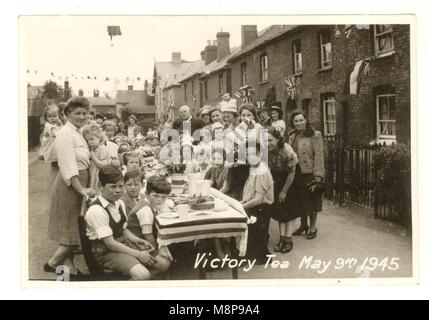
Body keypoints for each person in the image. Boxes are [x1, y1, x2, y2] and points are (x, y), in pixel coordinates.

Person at [85, 166, 168, 280]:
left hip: (122, 245)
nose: (118, 190)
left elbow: (123, 229)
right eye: (113, 187)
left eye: (120, 186)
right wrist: (138, 254)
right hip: (105, 253)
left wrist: (136, 240)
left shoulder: (119, 203)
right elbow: (110, 244)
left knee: (163, 264)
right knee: (142, 274)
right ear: (100, 186)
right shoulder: (96, 210)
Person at [45, 96, 95, 274]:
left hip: (77, 183)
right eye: (77, 113)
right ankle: (52, 264)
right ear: (67, 114)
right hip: (70, 186)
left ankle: (68, 272)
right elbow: (68, 165)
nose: (82, 117)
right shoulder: (65, 133)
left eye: (85, 113)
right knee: (73, 234)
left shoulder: (77, 131)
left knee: (70, 230)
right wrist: (81, 189)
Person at [288, 110, 325, 240]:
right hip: (296, 172)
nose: (299, 123)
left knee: (312, 201)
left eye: (301, 120)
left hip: (309, 172)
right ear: (293, 123)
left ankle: (313, 227)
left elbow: (319, 156)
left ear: (306, 120)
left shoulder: (315, 135)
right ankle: (303, 225)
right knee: (300, 200)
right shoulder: (292, 136)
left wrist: (318, 175)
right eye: (296, 121)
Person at [127, 175, 174, 267]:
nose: (159, 200)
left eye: (163, 197)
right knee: (164, 262)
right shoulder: (145, 209)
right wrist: (156, 251)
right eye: (155, 196)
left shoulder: (147, 203)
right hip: (136, 244)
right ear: (147, 194)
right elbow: (148, 235)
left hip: (140, 241)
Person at [241, 141, 274, 264]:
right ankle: (255, 254)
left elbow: (258, 199)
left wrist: (242, 206)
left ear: (259, 154)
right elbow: (250, 192)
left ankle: (260, 256)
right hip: (254, 205)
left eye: (253, 154)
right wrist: (241, 202)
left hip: (261, 208)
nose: (250, 157)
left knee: (258, 236)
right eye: (248, 154)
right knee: (254, 235)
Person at [267, 127, 299, 253]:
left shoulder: (287, 150)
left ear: (277, 139)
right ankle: (282, 238)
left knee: (289, 210)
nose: (268, 143)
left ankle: (288, 239)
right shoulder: (267, 151)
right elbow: (268, 168)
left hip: (290, 179)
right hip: (277, 178)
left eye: (270, 140)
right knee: (280, 210)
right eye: (265, 141)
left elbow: (291, 173)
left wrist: (284, 191)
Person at [82, 123, 111, 194]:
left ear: (100, 138)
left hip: (99, 178)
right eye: (87, 140)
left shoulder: (103, 149)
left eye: (92, 139)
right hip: (92, 177)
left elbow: (103, 165)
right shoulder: (92, 150)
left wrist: (93, 157)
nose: (89, 142)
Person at [39, 103, 63, 187]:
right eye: (50, 117)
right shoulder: (49, 126)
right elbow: (58, 134)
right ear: (46, 118)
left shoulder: (54, 125)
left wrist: (60, 124)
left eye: (55, 116)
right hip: (52, 151)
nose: (53, 118)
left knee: (57, 168)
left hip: (54, 149)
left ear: (58, 116)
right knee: (55, 168)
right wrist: (61, 125)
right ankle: (53, 185)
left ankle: (55, 184)